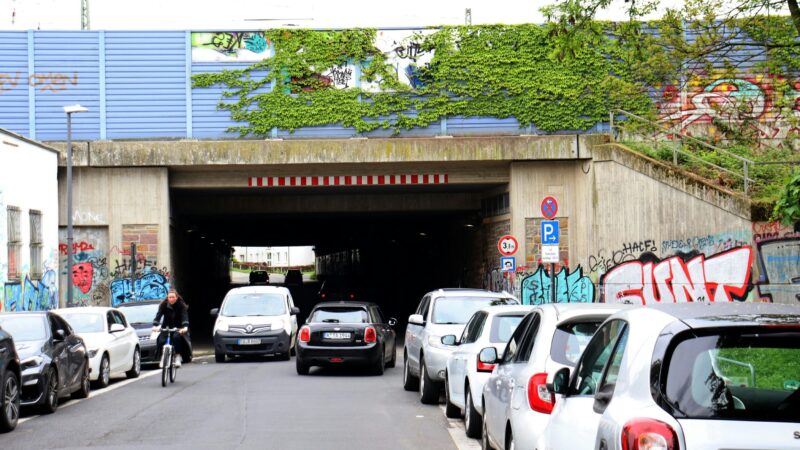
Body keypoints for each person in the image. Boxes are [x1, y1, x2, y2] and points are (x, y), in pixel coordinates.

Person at [152, 288, 191, 367]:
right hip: (166, 327)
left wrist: (185, 327)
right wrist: (155, 326)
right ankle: (163, 357)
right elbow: (158, 316)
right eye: (170, 297)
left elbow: (184, 316)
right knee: (161, 340)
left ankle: (178, 356)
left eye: (173, 297)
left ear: (176, 297)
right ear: (167, 298)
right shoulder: (163, 305)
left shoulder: (181, 305)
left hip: (178, 328)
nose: (171, 299)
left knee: (176, 338)